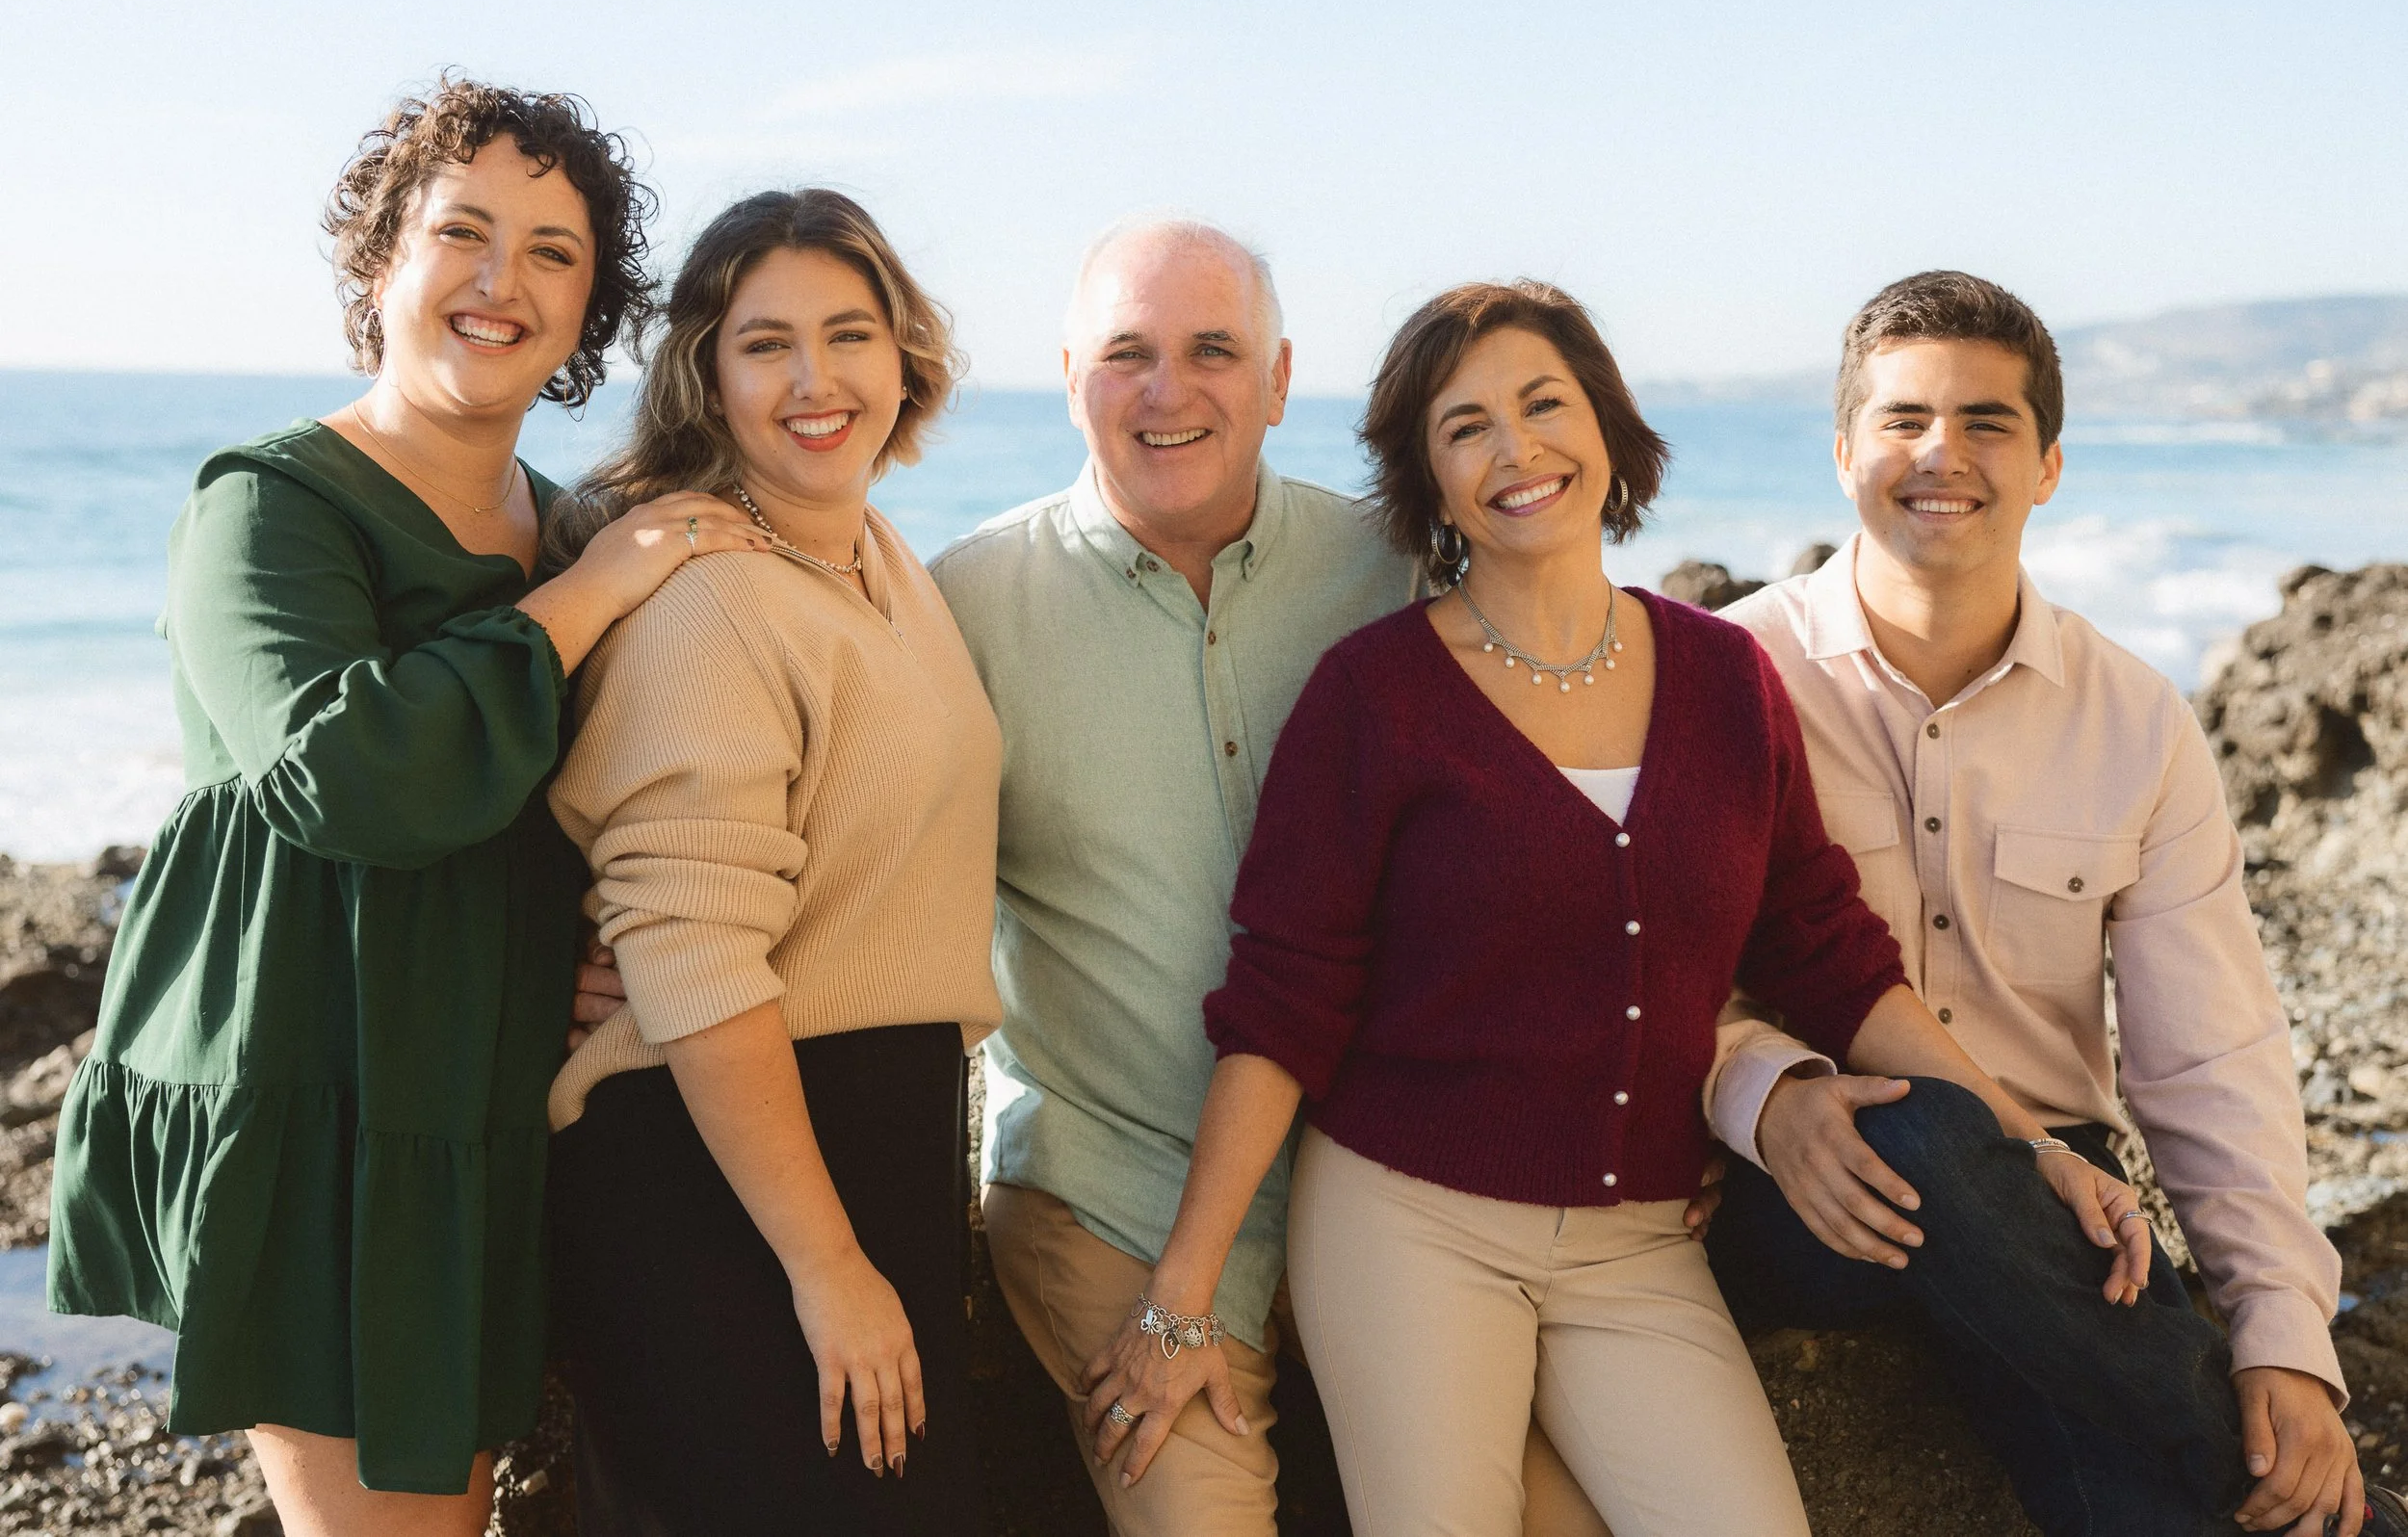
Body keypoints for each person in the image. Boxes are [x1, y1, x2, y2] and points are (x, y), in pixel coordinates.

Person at [1079, 279, 2161, 1537]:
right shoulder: (1372, 697)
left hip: (1636, 1239)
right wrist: (1182, 1299)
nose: (1516, 447)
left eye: (1545, 403)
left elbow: (1828, 953)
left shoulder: (1726, 678)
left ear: (1608, 425)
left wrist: (2027, 1138)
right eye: (1465, 427)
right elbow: (1281, 1006)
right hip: (1408, 1222)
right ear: (1430, 483)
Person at [43, 79, 769, 1536]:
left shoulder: (570, 525)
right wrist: (586, 595)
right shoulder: (268, 507)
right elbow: (353, 772)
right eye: (464, 233)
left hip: (495, 1101)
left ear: (586, 315)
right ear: (381, 264)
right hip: (322, 1095)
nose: (504, 283)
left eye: (554, 253)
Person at [917, 220, 1637, 1536]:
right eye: (1127, 353)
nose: (1168, 391)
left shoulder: (1401, 569)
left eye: (1213, 352)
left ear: (1282, 377)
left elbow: (1594, 811)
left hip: (1397, 1186)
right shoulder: (962, 605)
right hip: (1113, 1183)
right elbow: (857, 850)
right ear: (1069, 368)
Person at [1703, 270, 2408, 1537]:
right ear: (1843, 450)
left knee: (2053, 1310)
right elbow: (1641, 973)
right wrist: (1768, 1097)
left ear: (2049, 465)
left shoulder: (2135, 718)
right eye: (1906, 417)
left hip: (2052, 1191)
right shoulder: (1725, 680)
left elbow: (2212, 1057)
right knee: (1916, 1127)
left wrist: (2286, 1335)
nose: (1942, 453)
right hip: (1792, 1181)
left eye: (1987, 422)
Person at [543, 188, 998, 1535]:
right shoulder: (710, 593)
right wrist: (827, 1261)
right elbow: (690, 949)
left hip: (871, 1135)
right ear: (707, 373)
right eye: (767, 344)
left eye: (850, 333)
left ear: (905, 354)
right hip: (722, 1172)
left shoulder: (875, 555)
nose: (817, 380)